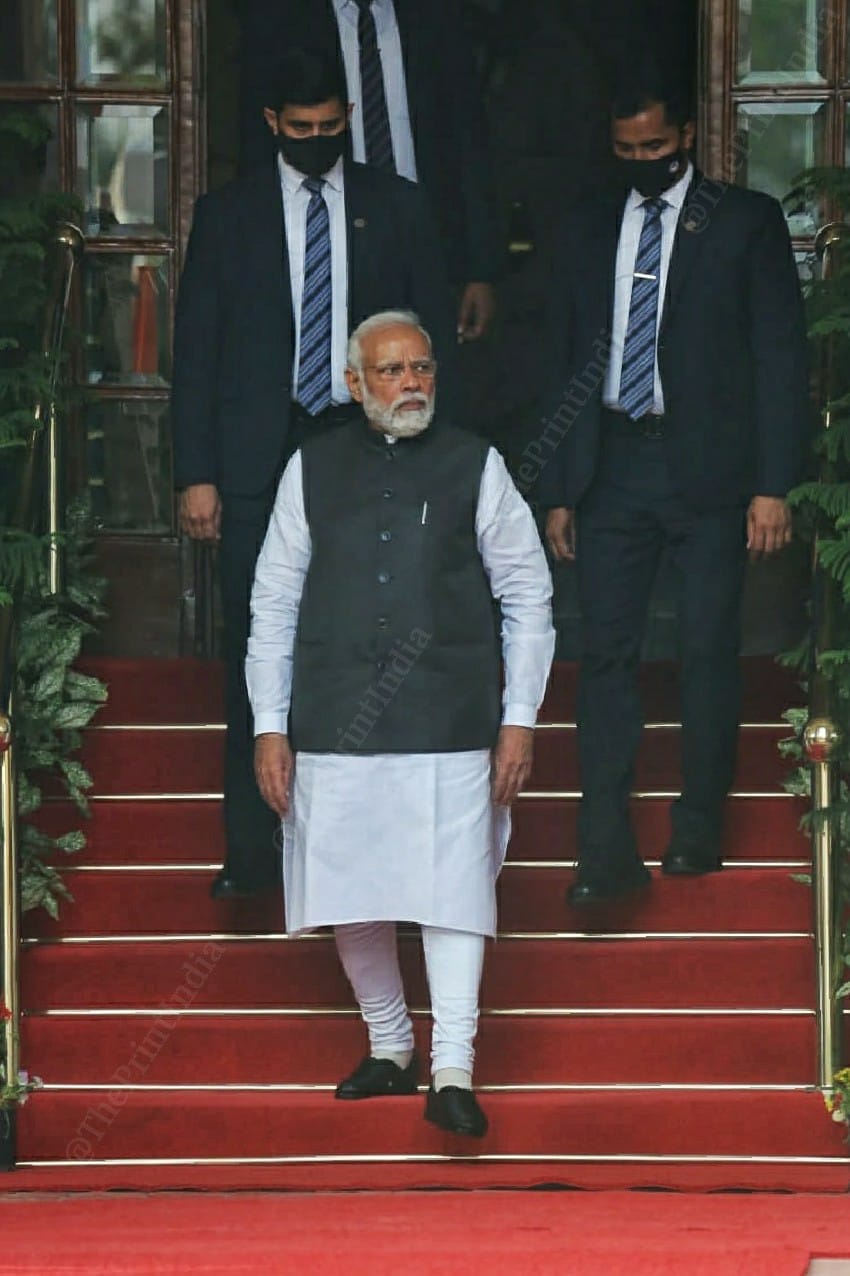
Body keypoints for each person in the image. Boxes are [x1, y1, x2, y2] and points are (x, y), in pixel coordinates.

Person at [245, 311, 554, 1136]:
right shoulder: (308, 468)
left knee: (454, 894)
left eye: (422, 367)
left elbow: (528, 593)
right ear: (353, 384)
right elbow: (272, 603)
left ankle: (453, 1068)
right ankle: (390, 1045)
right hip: (333, 715)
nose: (411, 383)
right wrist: (269, 725)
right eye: (391, 371)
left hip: (451, 716)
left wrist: (519, 718)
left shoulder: (475, 464)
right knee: (351, 886)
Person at [173, 49, 455, 900]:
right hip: (257, 459)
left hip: (363, 454)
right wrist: (198, 473)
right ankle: (252, 858)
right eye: (301, 132)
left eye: (331, 130)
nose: (317, 143)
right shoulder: (227, 216)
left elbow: (429, 345)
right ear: (271, 126)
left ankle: (361, 866)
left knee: (366, 649)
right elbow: (199, 353)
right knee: (259, 652)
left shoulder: (395, 208)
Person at [537, 75, 809, 907]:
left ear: (685, 135)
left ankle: (698, 828)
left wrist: (773, 486)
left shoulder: (743, 220)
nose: (641, 163)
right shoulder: (588, 222)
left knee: (703, 650)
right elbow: (561, 358)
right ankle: (602, 844)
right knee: (606, 654)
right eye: (626, 151)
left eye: (654, 148)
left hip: (712, 475)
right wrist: (559, 485)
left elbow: (778, 359)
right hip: (612, 466)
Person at [235, 1, 501, 341]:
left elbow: (469, 143)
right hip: (321, 244)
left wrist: (481, 269)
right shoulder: (282, 21)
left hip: (427, 245)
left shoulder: (436, 17)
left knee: (421, 380)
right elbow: (258, 147)